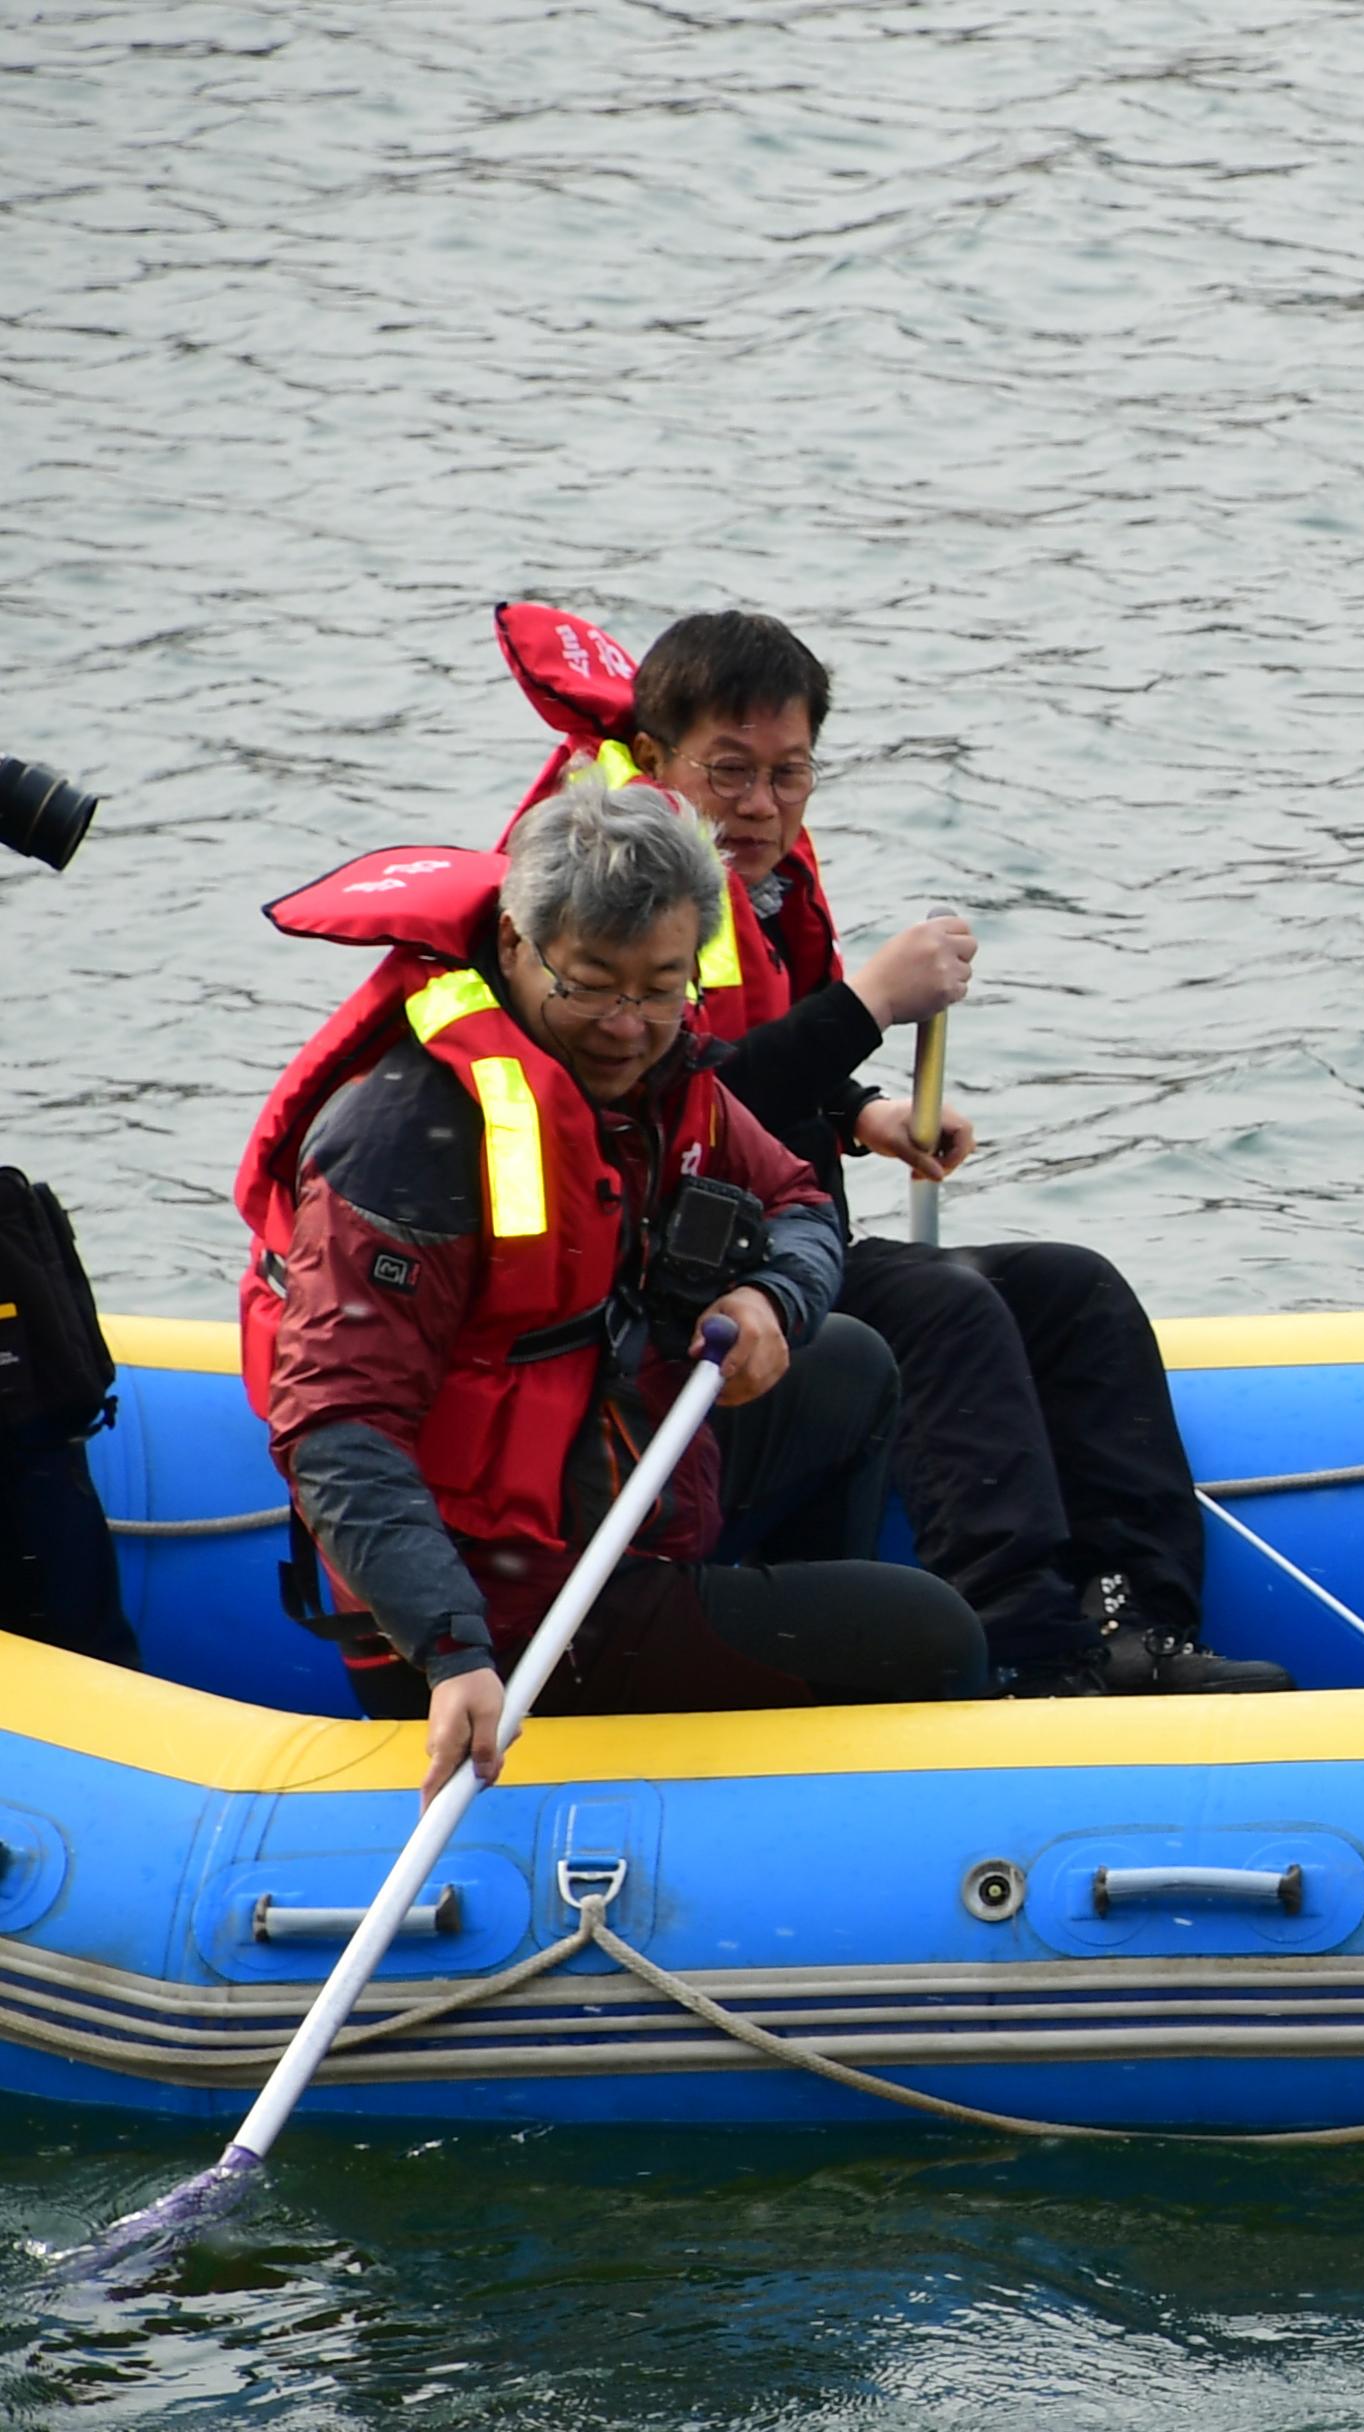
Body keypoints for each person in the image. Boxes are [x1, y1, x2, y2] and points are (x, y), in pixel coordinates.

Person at [242, 784, 986, 1794]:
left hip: (616, 1485)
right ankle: (780, 1748)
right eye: (591, 983)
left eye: (661, 986)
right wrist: (451, 1644)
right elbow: (335, 1424)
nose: (629, 1026)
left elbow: (801, 1198)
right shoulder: (408, 1136)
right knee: (935, 1635)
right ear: (516, 940)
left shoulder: (661, 1069)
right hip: (508, 1610)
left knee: (848, 1360)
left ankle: (759, 1690)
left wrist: (774, 1296)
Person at [594, 608, 1284, 1697]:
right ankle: (1019, 1648)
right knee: (943, 1307)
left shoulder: (763, 884)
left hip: (782, 1234)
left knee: (1073, 1288)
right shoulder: (619, 895)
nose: (761, 805)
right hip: (676, 1275)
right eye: (728, 772)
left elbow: (758, 1045)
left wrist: (859, 1105)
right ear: (651, 761)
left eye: (790, 773)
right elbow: (675, 1099)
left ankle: (1139, 1621)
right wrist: (871, 1004)